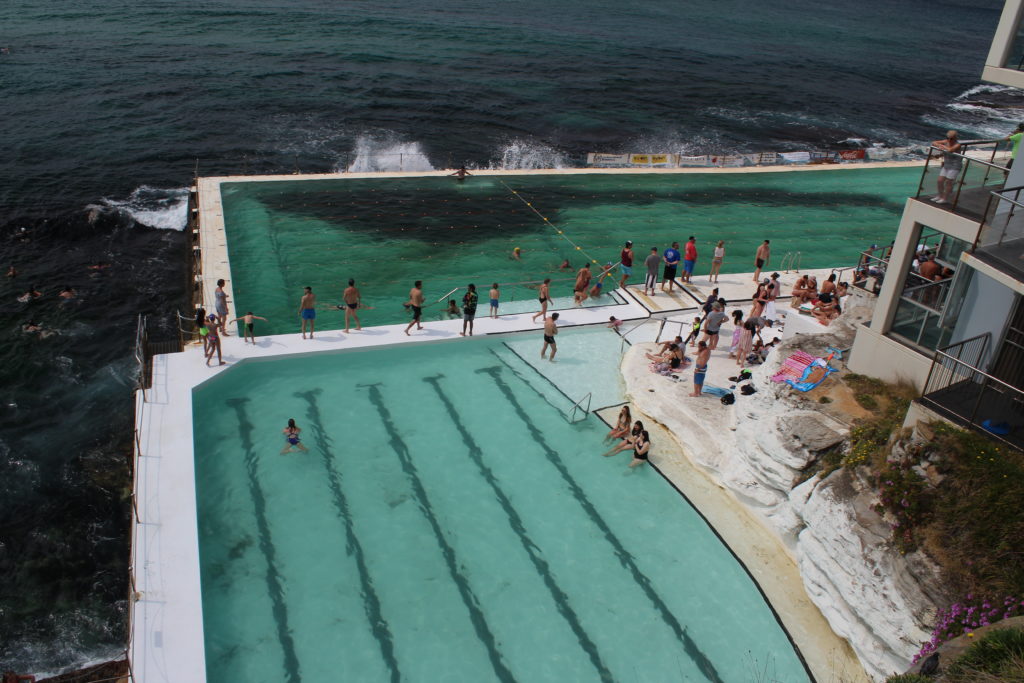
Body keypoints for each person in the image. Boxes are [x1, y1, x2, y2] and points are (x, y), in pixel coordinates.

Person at [932, 130, 962, 204]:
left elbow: (951, 150)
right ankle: (940, 195)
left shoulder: (957, 144)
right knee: (940, 181)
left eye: (951, 138)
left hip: (955, 166)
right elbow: (934, 142)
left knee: (948, 182)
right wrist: (939, 145)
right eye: (948, 138)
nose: (949, 140)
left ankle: (944, 198)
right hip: (947, 165)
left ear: (955, 138)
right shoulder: (946, 142)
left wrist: (942, 146)